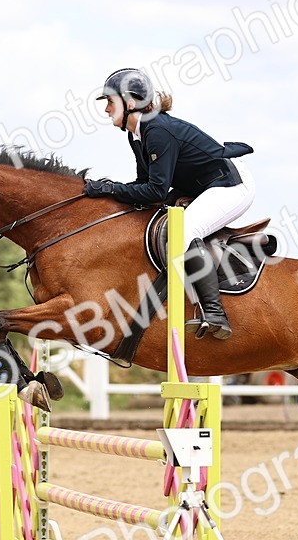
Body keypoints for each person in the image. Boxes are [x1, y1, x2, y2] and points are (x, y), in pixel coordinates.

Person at [83, 67, 256, 341]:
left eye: (110, 102)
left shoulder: (157, 131)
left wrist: (109, 188)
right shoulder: (136, 133)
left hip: (230, 185)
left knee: (183, 232)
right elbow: (144, 183)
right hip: (200, 184)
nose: (106, 110)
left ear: (130, 103)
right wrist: (112, 192)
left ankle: (215, 313)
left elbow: (154, 190)